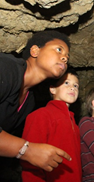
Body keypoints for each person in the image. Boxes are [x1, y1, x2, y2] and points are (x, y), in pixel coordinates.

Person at [0, 30, 71, 177]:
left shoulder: (29, 101)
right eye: (59, 49)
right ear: (35, 51)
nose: (64, 58)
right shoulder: (6, 68)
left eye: (67, 57)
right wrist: (27, 150)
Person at [21, 67, 81, 182]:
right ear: (53, 89)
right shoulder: (40, 115)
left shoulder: (74, 123)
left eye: (76, 85)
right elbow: (30, 162)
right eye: (66, 83)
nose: (72, 88)